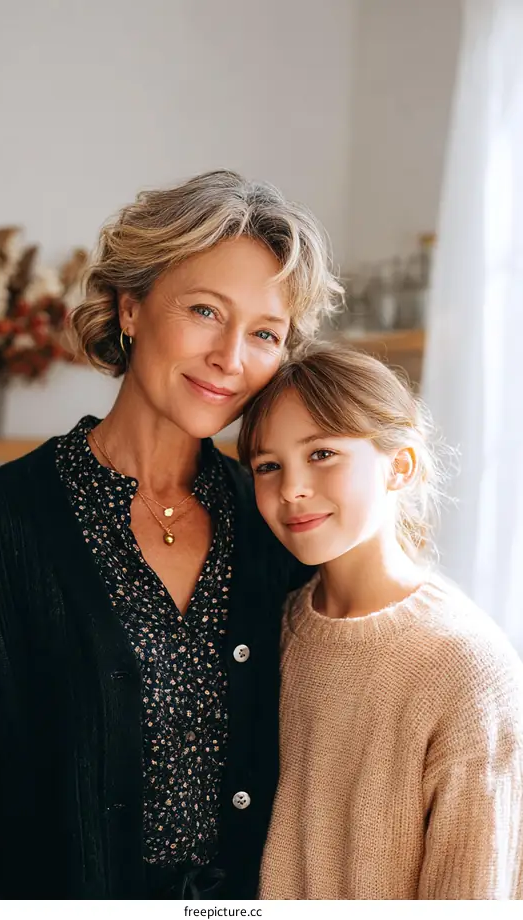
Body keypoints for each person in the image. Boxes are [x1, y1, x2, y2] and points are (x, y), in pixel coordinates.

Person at [0, 171, 341, 899]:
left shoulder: (276, 523)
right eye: (206, 311)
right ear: (131, 307)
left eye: (265, 334)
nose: (231, 358)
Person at [238, 343, 523, 900]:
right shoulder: (264, 631)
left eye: (321, 454)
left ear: (400, 465)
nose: (291, 488)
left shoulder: (465, 665)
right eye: (268, 466)